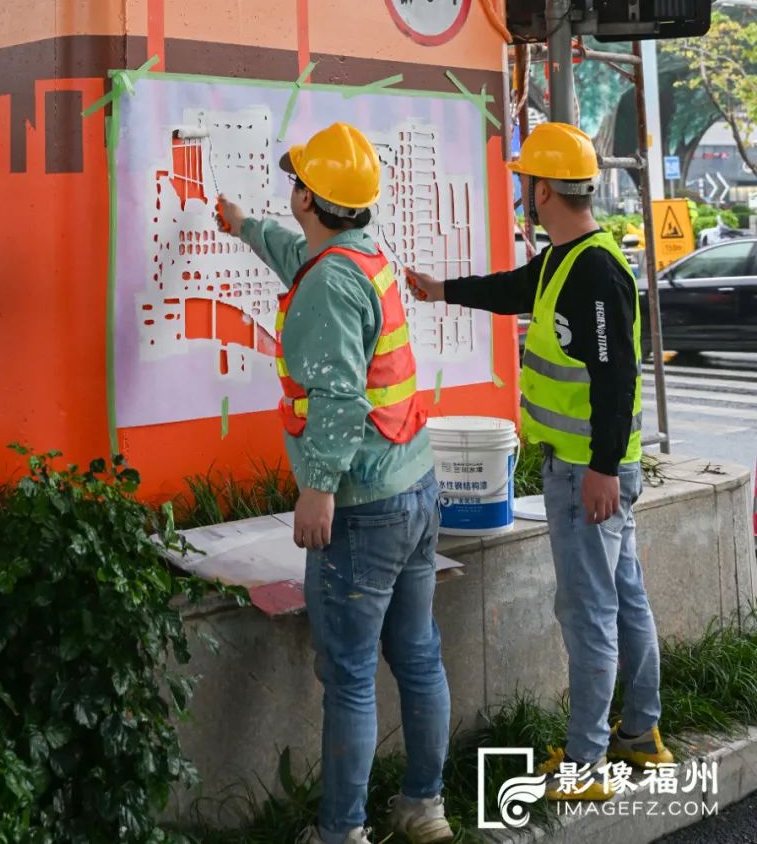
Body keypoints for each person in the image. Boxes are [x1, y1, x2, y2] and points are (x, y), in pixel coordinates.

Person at [408, 121, 672, 802]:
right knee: (624, 600)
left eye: (528, 180)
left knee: (588, 611)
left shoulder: (597, 270)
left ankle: (587, 765)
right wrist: (442, 291)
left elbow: (616, 380)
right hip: (591, 469)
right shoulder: (564, 259)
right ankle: (639, 734)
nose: (525, 189)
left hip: (591, 475)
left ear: (546, 188)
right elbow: (516, 289)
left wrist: (604, 470)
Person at [219, 122, 452, 844]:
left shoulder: (327, 287)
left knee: (350, 674)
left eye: (296, 182)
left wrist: (317, 488)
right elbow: (299, 257)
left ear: (311, 199)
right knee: (417, 653)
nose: (289, 191)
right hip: (415, 485)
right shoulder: (362, 255)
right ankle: (424, 809)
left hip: (363, 505)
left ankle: (342, 832)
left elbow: (340, 399)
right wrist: (243, 227)